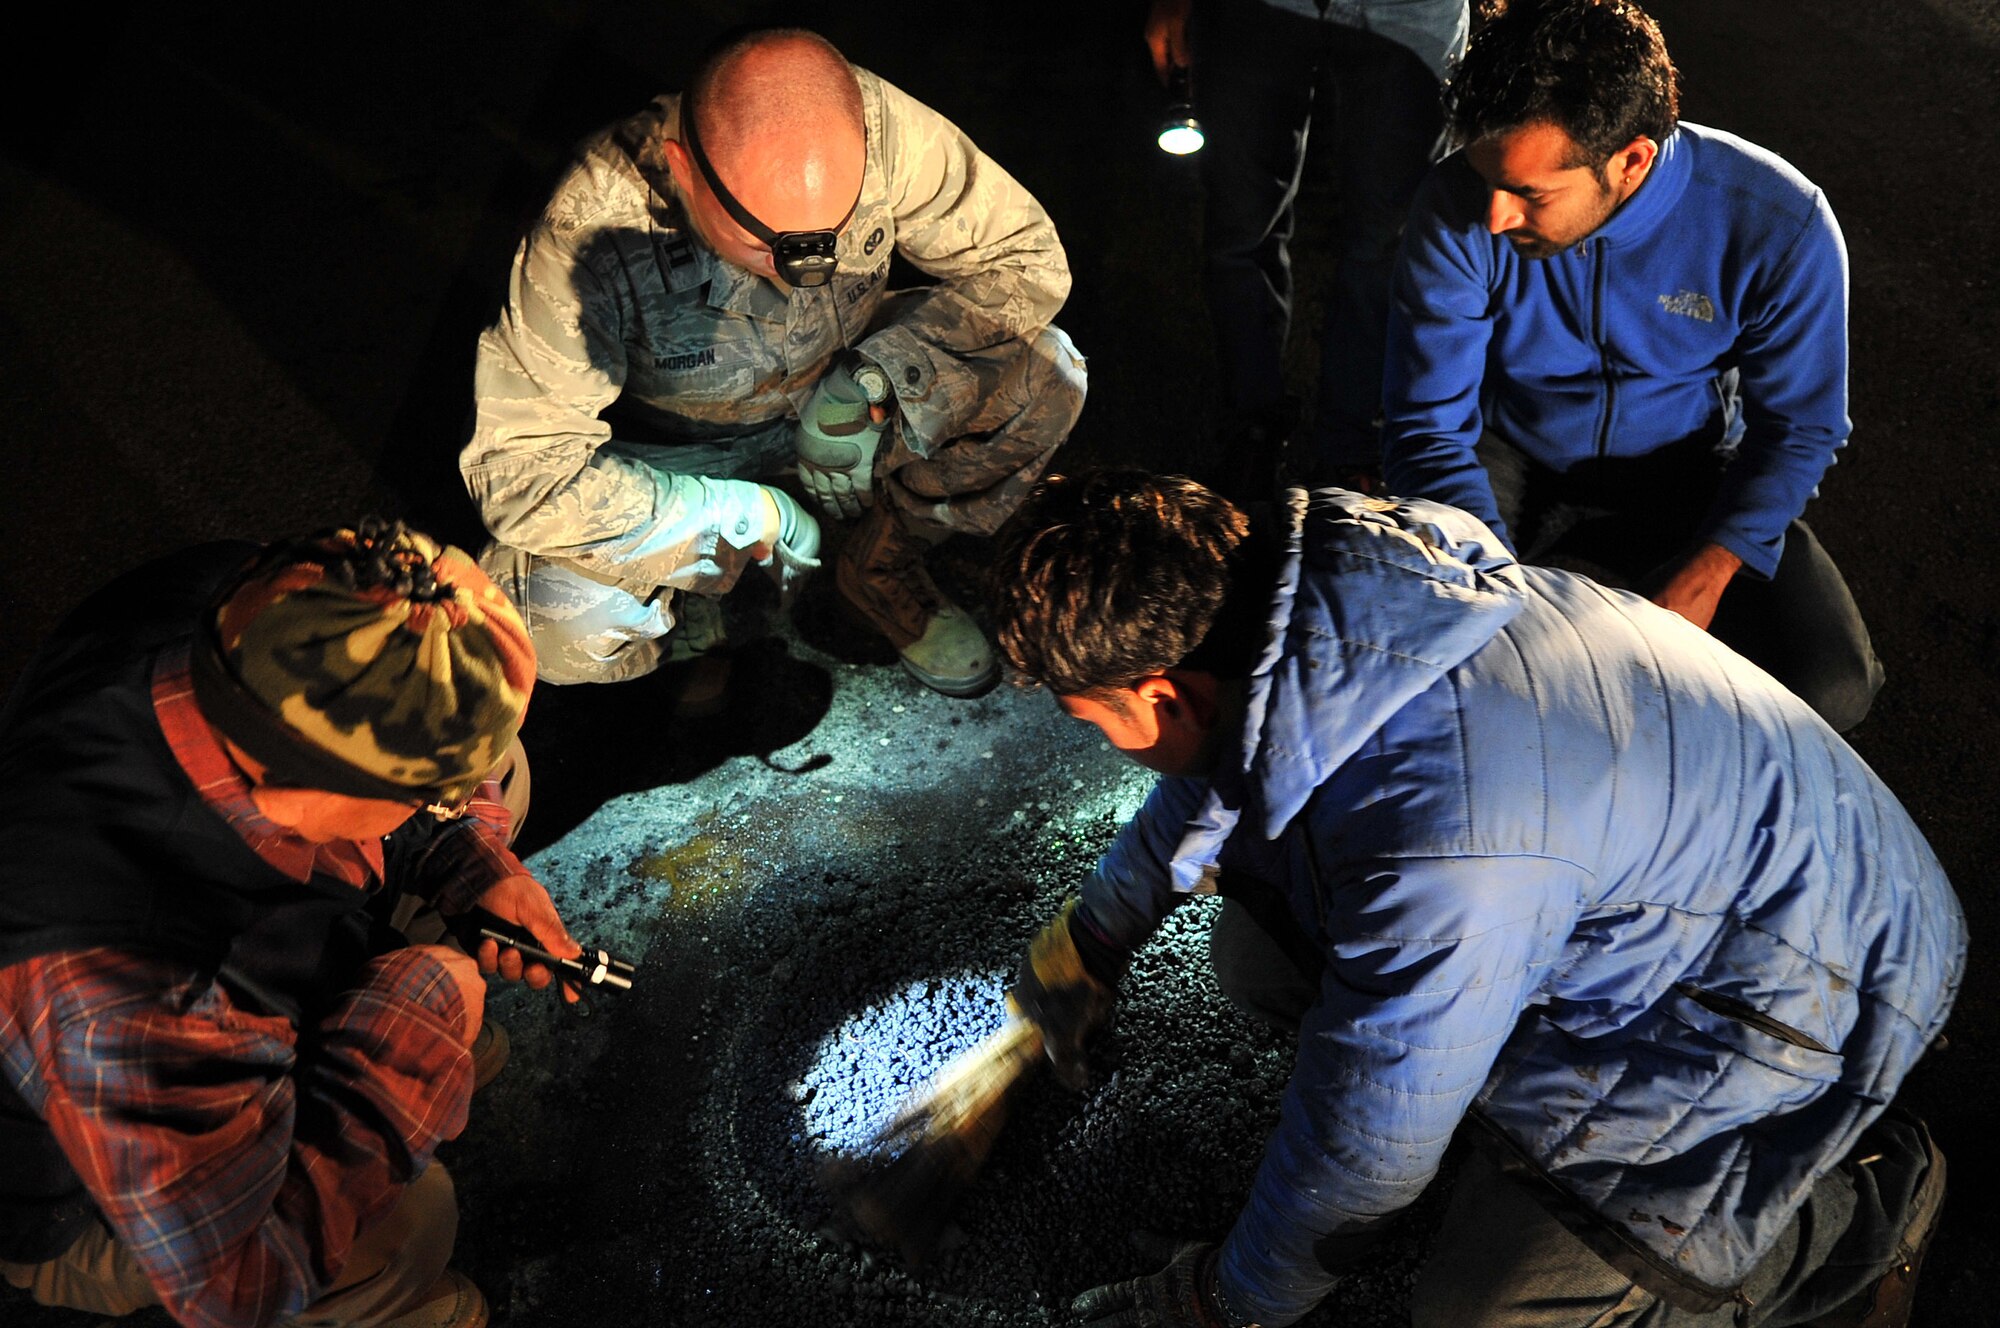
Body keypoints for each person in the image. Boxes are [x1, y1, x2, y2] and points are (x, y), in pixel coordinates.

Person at [994, 470, 1963, 1328]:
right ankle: (1472, 1107)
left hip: (1805, 975)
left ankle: (1859, 1212)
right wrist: (1089, 939)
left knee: (1485, 1312)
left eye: (1091, 717)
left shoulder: (1439, 846)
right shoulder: (1312, 601)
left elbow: (1362, 1154)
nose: (1102, 739)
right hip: (1703, 880)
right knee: (1259, 954)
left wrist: (1222, 1300)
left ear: (1166, 692)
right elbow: (1222, 764)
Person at [0, 520, 581, 1328]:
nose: (451, 802)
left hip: (234, 965)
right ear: (313, 792)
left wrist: (475, 864)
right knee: (411, 1220)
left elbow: (400, 764)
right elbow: (238, 1284)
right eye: (434, 795)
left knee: (503, 781)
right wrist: (417, 1015)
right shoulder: (125, 984)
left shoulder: (267, 611)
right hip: (87, 1177)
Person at [463, 27, 1087, 700]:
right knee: (546, 627)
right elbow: (520, 471)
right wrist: (720, 514)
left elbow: (1028, 260)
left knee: (1046, 373)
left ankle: (879, 563)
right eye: (767, 243)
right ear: (683, 169)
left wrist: (878, 377)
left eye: (831, 237)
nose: (804, 275)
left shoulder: (882, 131)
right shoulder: (591, 220)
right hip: (678, 452)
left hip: (849, 407)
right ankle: (706, 591)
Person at [1381, 0, 1882, 732]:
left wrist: (1712, 566)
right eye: (1486, 176)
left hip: (1686, 468)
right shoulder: (1456, 203)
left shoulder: (1779, 222)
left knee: (1829, 683)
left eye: (1529, 193)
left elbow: (1800, 428)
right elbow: (1427, 429)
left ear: (1632, 160)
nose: (1492, 217)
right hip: (1507, 462)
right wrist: (1506, 594)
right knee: (1454, 677)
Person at [1143, 0, 1467, 498]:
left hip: (1412, 12)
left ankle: (1350, 445)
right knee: (1240, 226)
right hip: (1260, 10)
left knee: (1387, 241)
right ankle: (1252, 426)